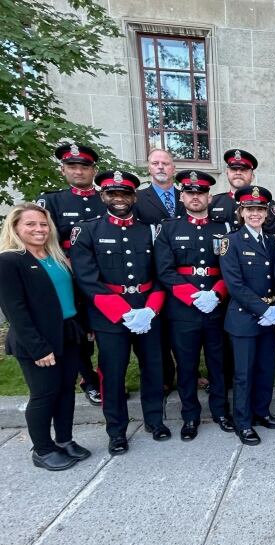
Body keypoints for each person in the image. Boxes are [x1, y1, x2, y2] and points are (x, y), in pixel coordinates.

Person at [70, 170, 170, 454]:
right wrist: (123, 312)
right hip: (110, 317)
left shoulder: (150, 230)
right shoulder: (87, 231)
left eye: (125, 194)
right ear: (103, 196)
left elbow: (161, 273)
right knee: (112, 374)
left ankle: (155, 420)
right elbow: (87, 279)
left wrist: (150, 309)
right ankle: (116, 431)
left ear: (133, 197)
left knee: (154, 369)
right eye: (112, 194)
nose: (119, 199)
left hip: (148, 312)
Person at [0, 203, 91, 471]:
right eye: (30, 224)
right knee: (44, 394)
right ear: (16, 227)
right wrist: (38, 348)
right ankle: (42, 448)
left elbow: (72, 296)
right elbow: (14, 310)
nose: (38, 229)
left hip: (68, 332)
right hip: (38, 339)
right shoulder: (10, 260)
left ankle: (64, 440)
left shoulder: (55, 255)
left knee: (66, 391)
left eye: (42, 224)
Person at [154, 170, 235, 441]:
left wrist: (217, 294)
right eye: (190, 192)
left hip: (216, 305)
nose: (195, 197)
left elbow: (230, 268)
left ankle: (221, 411)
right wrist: (192, 295)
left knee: (218, 363)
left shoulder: (223, 228)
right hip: (182, 310)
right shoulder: (168, 228)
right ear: (182, 196)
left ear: (209, 196)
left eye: (200, 192)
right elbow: (164, 271)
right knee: (186, 366)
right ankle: (190, 416)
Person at [36, 143, 104, 405]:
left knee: (106, 329)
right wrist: (63, 261)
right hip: (70, 274)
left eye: (84, 167)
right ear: (63, 169)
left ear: (93, 170)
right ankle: (88, 378)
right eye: (72, 166)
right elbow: (43, 238)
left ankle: (107, 375)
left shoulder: (106, 197)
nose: (78, 171)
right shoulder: (51, 200)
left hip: (103, 275)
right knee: (79, 331)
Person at [219, 185, 275, 446]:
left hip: (271, 316)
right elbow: (235, 285)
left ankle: (262, 411)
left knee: (265, 369)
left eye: (260, 209)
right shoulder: (230, 242)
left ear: (266, 213)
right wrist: (263, 309)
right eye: (250, 209)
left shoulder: (272, 240)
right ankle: (243, 422)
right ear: (241, 212)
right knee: (244, 373)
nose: (255, 214)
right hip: (245, 317)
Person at [134, 148, 179, 392]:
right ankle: (164, 377)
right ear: (149, 168)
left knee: (180, 329)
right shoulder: (138, 199)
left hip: (182, 273)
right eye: (155, 163)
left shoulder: (187, 197)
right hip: (151, 270)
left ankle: (188, 372)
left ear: (173, 168)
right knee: (157, 327)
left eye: (166, 163)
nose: (161, 167)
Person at [209, 149, 275, 235]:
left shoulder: (267, 204)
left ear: (252, 176)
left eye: (243, 170)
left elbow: (271, 239)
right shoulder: (213, 203)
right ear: (227, 173)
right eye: (233, 169)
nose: (238, 173)